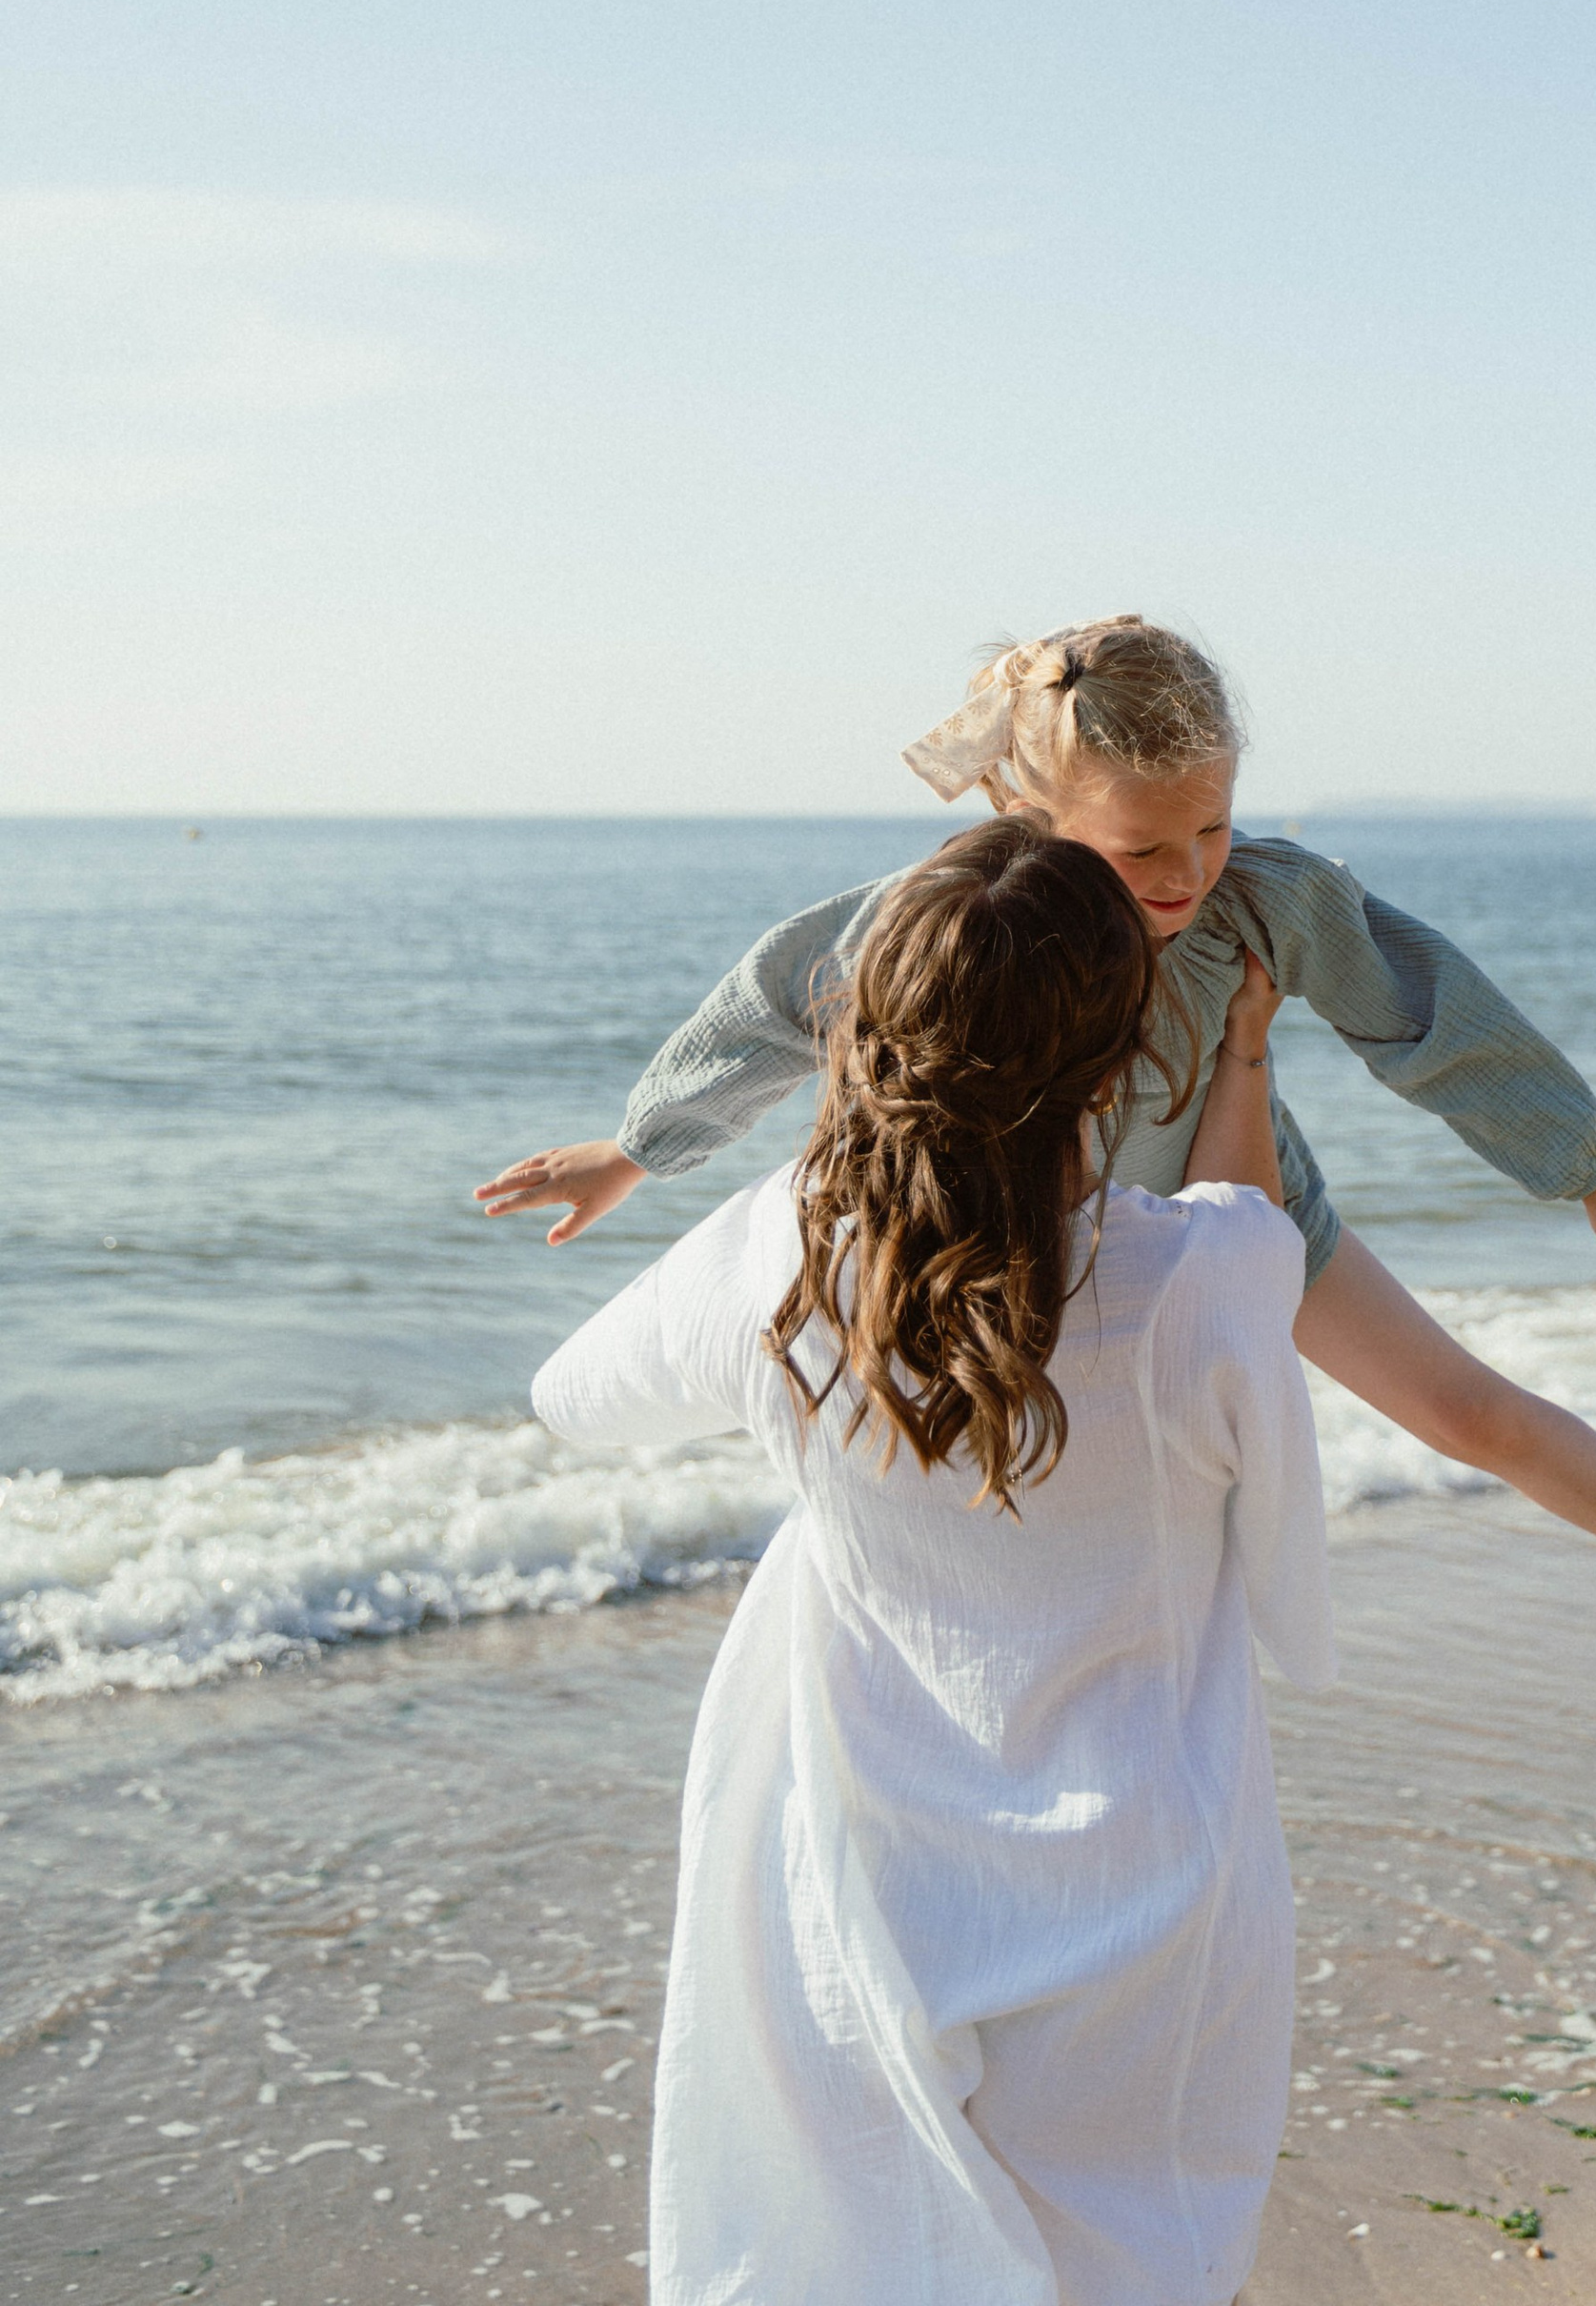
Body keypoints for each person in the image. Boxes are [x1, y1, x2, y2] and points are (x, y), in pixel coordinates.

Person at [488, 617, 1596, 1738]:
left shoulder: (1262, 899)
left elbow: (1427, 1013)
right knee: (987, 1474)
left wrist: (1587, 1176)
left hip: (1242, 1210)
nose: (1188, 871)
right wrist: (638, 1148)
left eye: (1215, 826)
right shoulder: (956, 910)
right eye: (1143, 850)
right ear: (1031, 810)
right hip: (1029, 1222)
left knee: (1469, 1412)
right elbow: (781, 1001)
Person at [533, 819, 1325, 2306]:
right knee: (1137, 2256)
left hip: (870, 1869)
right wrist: (1241, 1053)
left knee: (864, 2259)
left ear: (869, 1029)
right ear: (1117, 1059)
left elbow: (571, 1401)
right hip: (1151, 1879)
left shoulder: (785, 1258)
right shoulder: (1202, 1283)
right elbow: (1245, 1232)